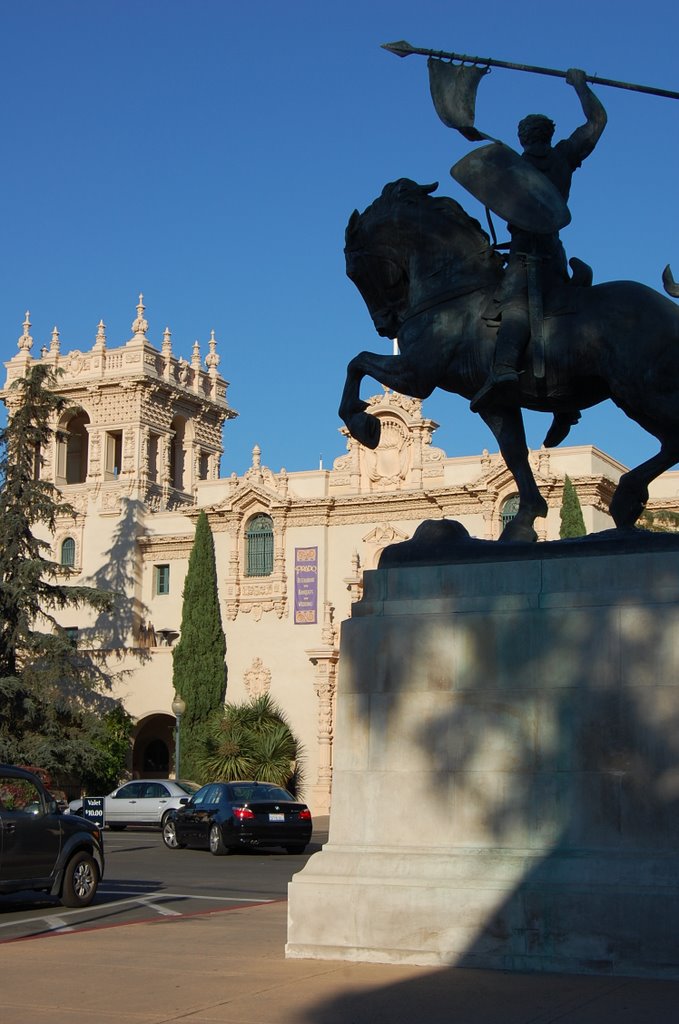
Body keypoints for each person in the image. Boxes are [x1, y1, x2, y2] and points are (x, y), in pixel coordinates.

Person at [470, 68, 607, 414]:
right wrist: (581, 86)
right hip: (555, 253)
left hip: (527, 255)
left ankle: (503, 369)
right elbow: (597, 122)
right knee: (558, 315)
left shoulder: (513, 166)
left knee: (513, 306)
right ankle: (566, 407)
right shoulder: (563, 156)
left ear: (523, 137)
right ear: (548, 135)